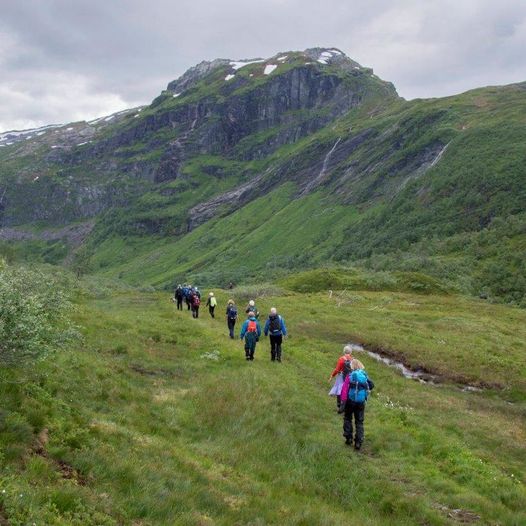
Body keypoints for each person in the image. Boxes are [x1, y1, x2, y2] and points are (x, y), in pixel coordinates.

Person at [339, 359, 374, 450]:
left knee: (347, 418)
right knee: (359, 421)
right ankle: (358, 442)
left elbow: (344, 390)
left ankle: (348, 438)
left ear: (352, 366)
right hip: (361, 402)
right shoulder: (364, 375)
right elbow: (371, 385)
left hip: (350, 401)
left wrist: (343, 402)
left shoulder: (349, 376)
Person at [328, 345, 354, 410]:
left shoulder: (341, 359)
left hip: (341, 376)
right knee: (346, 390)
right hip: (349, 377)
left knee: (339, 390)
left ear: (344, 351)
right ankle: (345, 405)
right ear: (350, 352)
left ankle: (339, 405)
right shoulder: (352, 359)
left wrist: (332, 376)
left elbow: (337, 370)